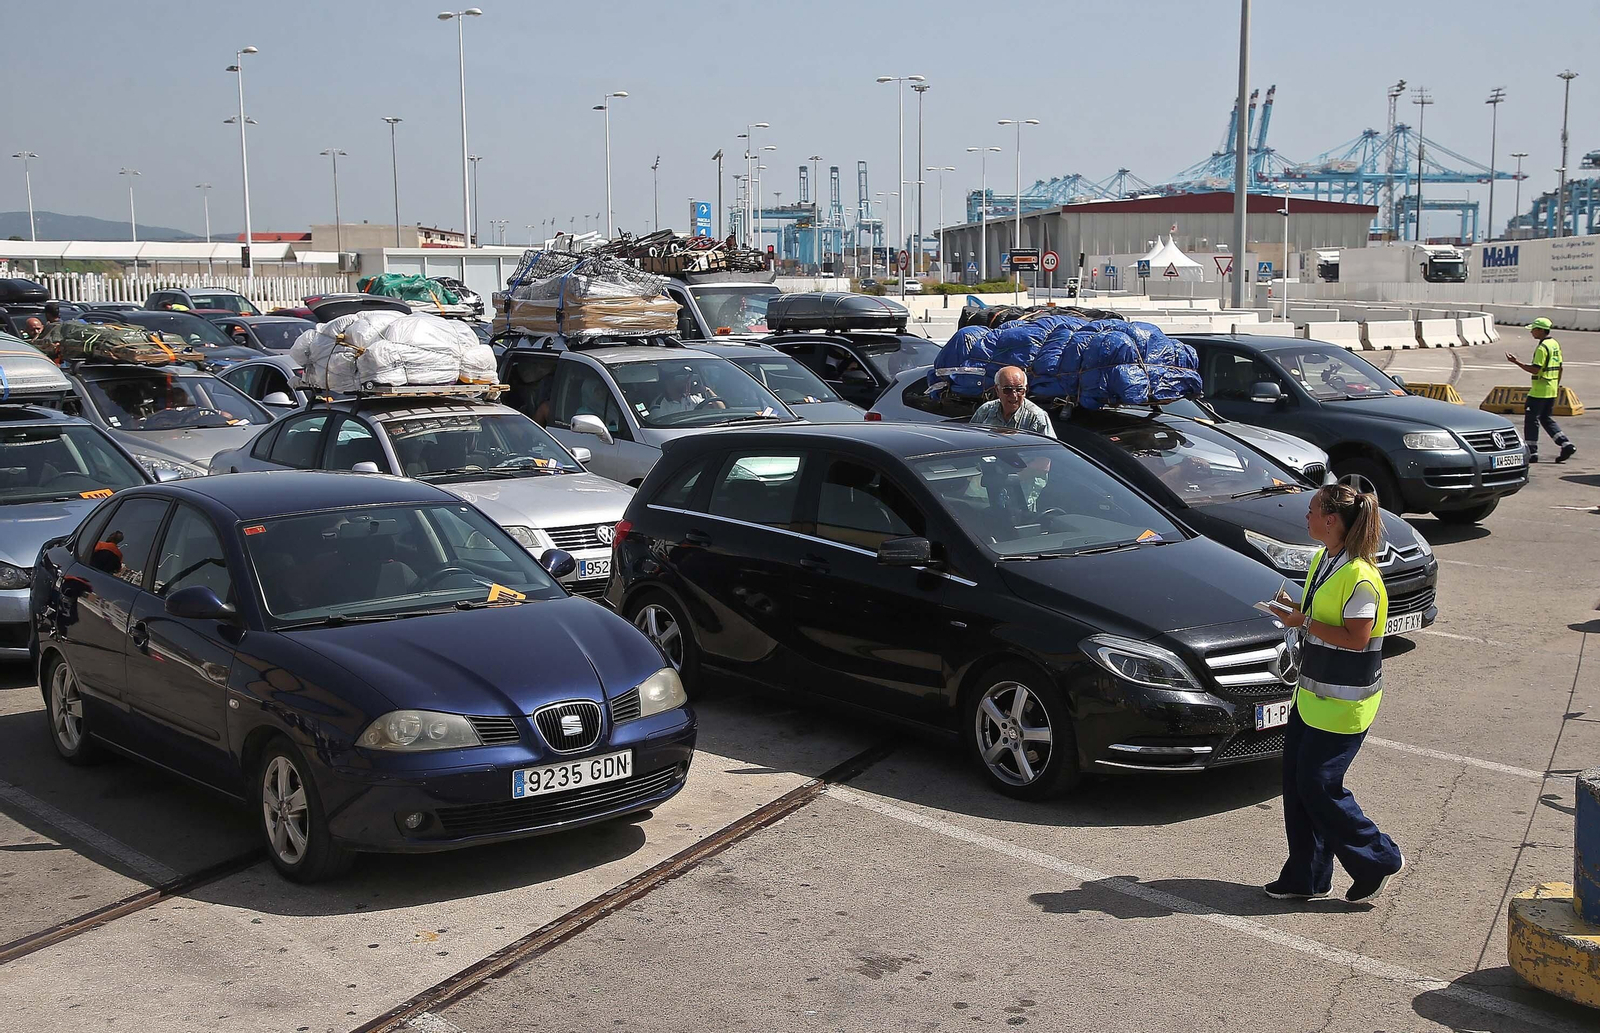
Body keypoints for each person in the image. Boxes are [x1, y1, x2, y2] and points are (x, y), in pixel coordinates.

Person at [1266, 483, 1405, 904]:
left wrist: (1301, 622)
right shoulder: (1325, 560)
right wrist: (1296, 611)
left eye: (1311, 511)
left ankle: (1376, 856)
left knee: (1319, 785)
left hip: (1344, 705)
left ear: (1331, 520)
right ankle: (1305, 876)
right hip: (1312, 697)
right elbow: (1320, 616)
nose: (1305, 518)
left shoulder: (1361, 577)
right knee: (1297, 784)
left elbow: (1356, 638)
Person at [1505, 317, 1575, 463]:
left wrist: (1516, 362)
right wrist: (1556, 385)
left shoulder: (1542, 348)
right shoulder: (1554, 344)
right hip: (1551, 389)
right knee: (1546, 418)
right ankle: (1565, 444)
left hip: (1539, 391)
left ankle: (1532, 452)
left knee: (1531, 420)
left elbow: (1535, 370)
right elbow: (1560, 367)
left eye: (1534, 329)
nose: (1532, 332)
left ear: (1541, 330)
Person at [970, 366, 1057, 438]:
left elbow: (1047, 454)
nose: (1014, 395)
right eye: (1007, 390)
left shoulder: (1036, 417)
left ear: (1026, 389)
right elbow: (971, 441)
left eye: (1019, 390)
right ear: (997, 390)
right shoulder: (985, 411)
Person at [652, 365, 722, 416]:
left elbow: (720, 410)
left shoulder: (691, 399)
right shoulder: (659, 407)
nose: (688, 382)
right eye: (682, 378)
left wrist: (707, 390)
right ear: (669, 382)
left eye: (689, 379)